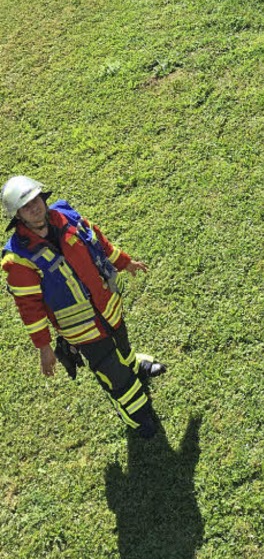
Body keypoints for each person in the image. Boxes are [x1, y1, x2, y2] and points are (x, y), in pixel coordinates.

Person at [1, 176, 166, 437]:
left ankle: (135, 365)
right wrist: (44, 347)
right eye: (26, 206)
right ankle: (136, 411)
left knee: (122, 346)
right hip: (81, 329)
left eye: (35, 200)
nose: (34, 207)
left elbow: (98, 242)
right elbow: (29, 309)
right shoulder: (19, 259)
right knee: (111, 370)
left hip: (108, 306)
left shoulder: (67, 216)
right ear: (17, 216)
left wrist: (124, 263)